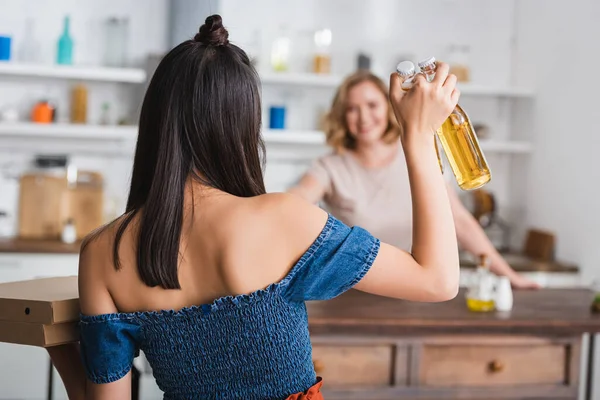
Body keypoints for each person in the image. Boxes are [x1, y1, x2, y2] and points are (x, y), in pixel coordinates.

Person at [47, 15, 462, 400]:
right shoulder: (282, 219)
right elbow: (437, 280)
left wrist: (60, 345)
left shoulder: (102, 253)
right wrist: (418, 135)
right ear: (243, 124)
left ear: (156, 118)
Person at [288, 70, 539, 289]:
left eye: (372, 105)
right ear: (341, 116)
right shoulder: (330, 167)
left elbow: (460, 222)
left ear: (390, 107)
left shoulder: (418, 152)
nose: (363, 117)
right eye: (352, 109)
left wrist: (509, 277)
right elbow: (294, 203)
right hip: (354, 292)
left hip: (416, 288)